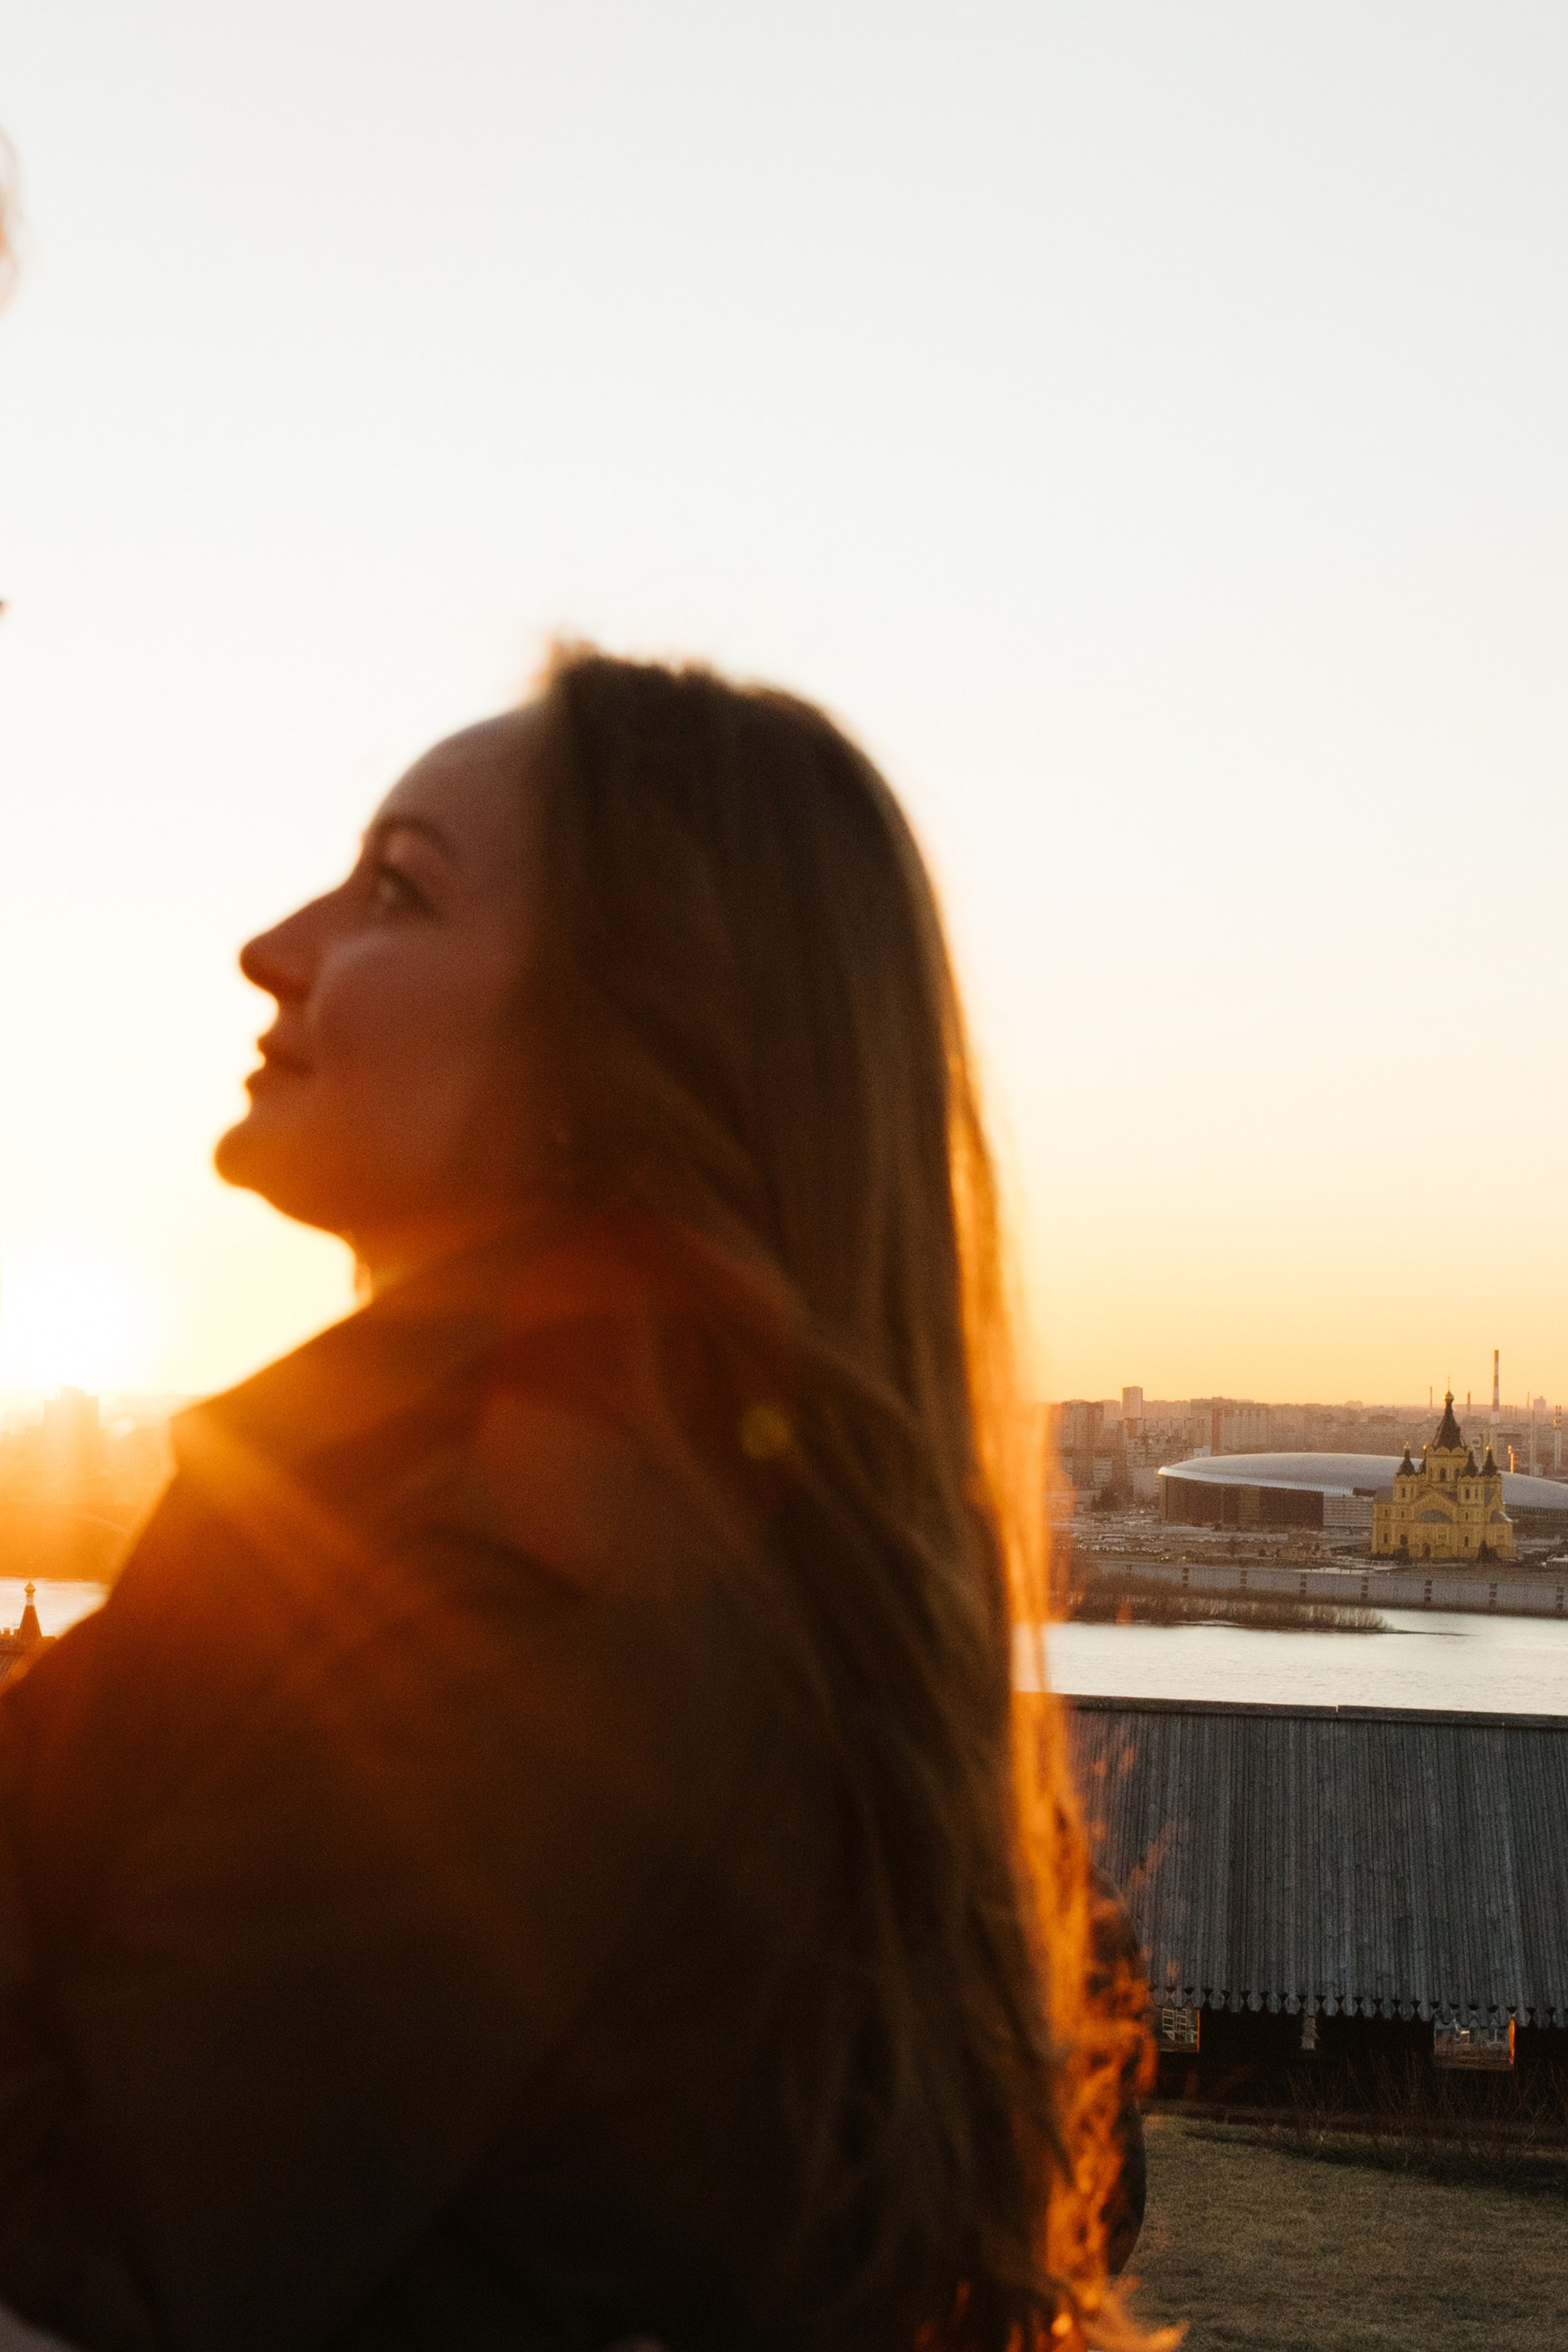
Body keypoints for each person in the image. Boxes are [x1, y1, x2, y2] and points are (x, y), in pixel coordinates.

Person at [0, 652, 1150, 2351]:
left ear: (618, 1050)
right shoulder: (475, 1510)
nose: (275, 947)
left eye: (395, 890)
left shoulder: (551, 1582)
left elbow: (102, 2287)